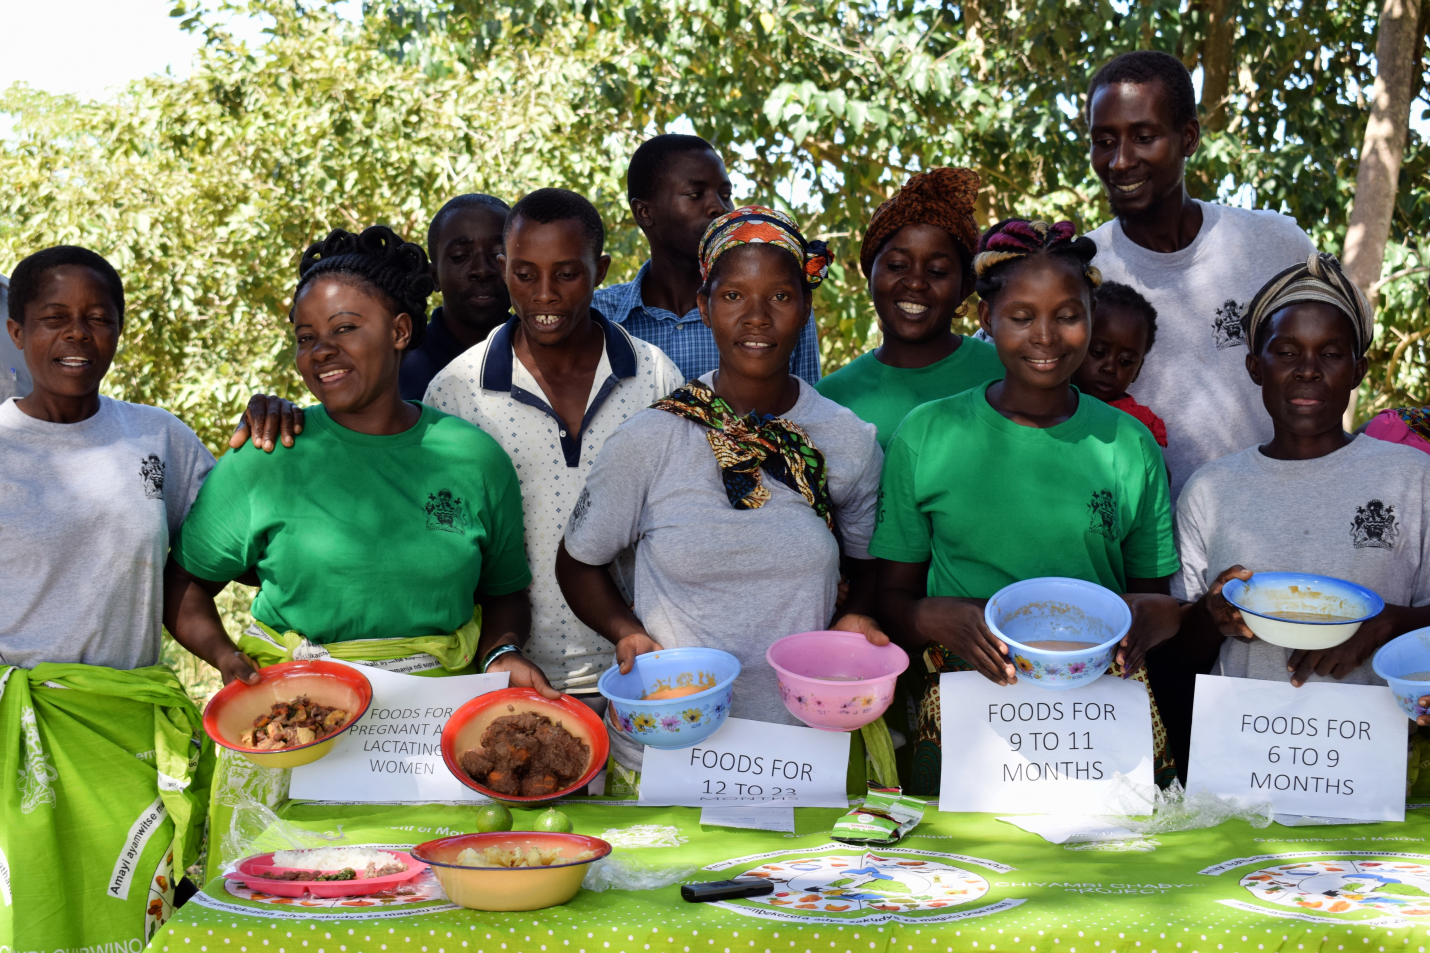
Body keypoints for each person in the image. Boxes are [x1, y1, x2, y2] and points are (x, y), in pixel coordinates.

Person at [165, 226, 536, 872]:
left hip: (428, 745)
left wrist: (503, 650)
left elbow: (504, 591)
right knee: (290, 923)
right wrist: (227, 660)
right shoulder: (266, 457)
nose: (321, 352)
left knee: (424, 916)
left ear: (398, 331)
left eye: (343, 329)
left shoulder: (473, 459)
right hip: (295, 735)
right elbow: (184, 585)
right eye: (306, 337)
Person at [556, 205, 886, 789]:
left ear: (805, 308)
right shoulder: (652, 439)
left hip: (803, 744)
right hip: (672, 740)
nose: (756, 317)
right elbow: (578, 559)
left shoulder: (847, 441)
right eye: (733, 296)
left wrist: (858, 614)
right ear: (706, 307)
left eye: (780, 297)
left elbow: (869, 565)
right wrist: (625, 631)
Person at [871, 219, 1183, 794]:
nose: (1046, 336)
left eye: (1068, 315)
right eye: (1021, 317)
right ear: (987, 320)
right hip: (971, 714)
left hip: (1098, 724)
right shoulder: (927, 434)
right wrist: (930, 617)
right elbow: (890, 600)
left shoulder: (1128, 444)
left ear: (1090, 318)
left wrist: (1164, 620)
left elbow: (1151, 599)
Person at [0, 246, 217, 951]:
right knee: (28, 917)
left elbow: (220, 549)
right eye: (53, 318)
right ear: (15, 332)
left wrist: (274, 426)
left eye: (98, 318)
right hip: (17, 739)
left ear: (120, 330)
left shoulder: (156, 437)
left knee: (136, 920)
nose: (77, 334)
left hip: (130, 732)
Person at [425, 189, 683, 706]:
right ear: (504, 269)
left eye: (567, 274)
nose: (544, 294)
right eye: (525, 273)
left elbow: (682, 522)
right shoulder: (457, 391)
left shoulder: (654, 377)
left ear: (601, 269)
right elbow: (443, 545)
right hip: (509, 674)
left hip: (643, 668)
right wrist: (496, 653)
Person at [1170, 253, 1430, 691]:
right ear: (1256, 367)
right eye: (1287, 352)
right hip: (1239, 743)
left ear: (1358, 371)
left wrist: (1387, 623)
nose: (1308, 370)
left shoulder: (1412, 478)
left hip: (1371, 744)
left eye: (1330, 354)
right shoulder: (1211, 490)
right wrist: (1208, 616)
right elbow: (1175, 658)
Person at [1085, 50, 1317, 498]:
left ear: (1188, 137)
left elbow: (1336, 363)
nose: (1119, 161)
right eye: (1104, 140)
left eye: (1144, 136)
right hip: (1132, 552)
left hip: (1268, 529)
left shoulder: (1274, 245)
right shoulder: (1081, 268)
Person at [593, 133, 822, 384]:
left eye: (725, 194)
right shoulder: (597, 317)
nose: (720, 208)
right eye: (695, 194)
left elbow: (806, 408)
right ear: (644, 212)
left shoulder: (781, 307)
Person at [815, 167, 1004, 449]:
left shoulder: (1006, 372)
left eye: (937, 271)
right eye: (897, 266)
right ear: (870, 274)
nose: (915, 283)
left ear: (965, 286)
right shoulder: (827, 399)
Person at [399, 193, 513, 400]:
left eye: (498, 253)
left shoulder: (545, 356)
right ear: (434, 277)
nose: (482, 270)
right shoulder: (399, 370)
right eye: (460, 256)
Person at [1072, 280, 1167, 446]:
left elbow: (1156, 470)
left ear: (1137, 370)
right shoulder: (1053, 403)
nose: (1110, 368)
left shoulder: (1134, 421)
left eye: (1125, 361)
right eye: (1098, 352)